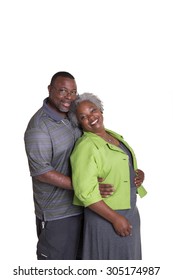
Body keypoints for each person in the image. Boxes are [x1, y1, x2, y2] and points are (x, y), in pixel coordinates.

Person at [24, 72, 113, 260]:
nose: (69, 97)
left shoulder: (74, 117)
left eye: (73, 92)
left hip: (86, 206)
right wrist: (85, 186)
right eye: (63, 91)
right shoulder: (39, 128)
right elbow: (42, 172)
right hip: (58, 215)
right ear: (50, 89)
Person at [69, 93, 147, 260]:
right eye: (83, 117)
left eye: (93, 110)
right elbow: (86, 193)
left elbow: (122, 164)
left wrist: (138, 174)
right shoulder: (85, 147)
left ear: (101, 111)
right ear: (79, 123)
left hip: (130, 211)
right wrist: (115, 218)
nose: (91, 118)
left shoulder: (114, 137)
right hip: (107, 216)